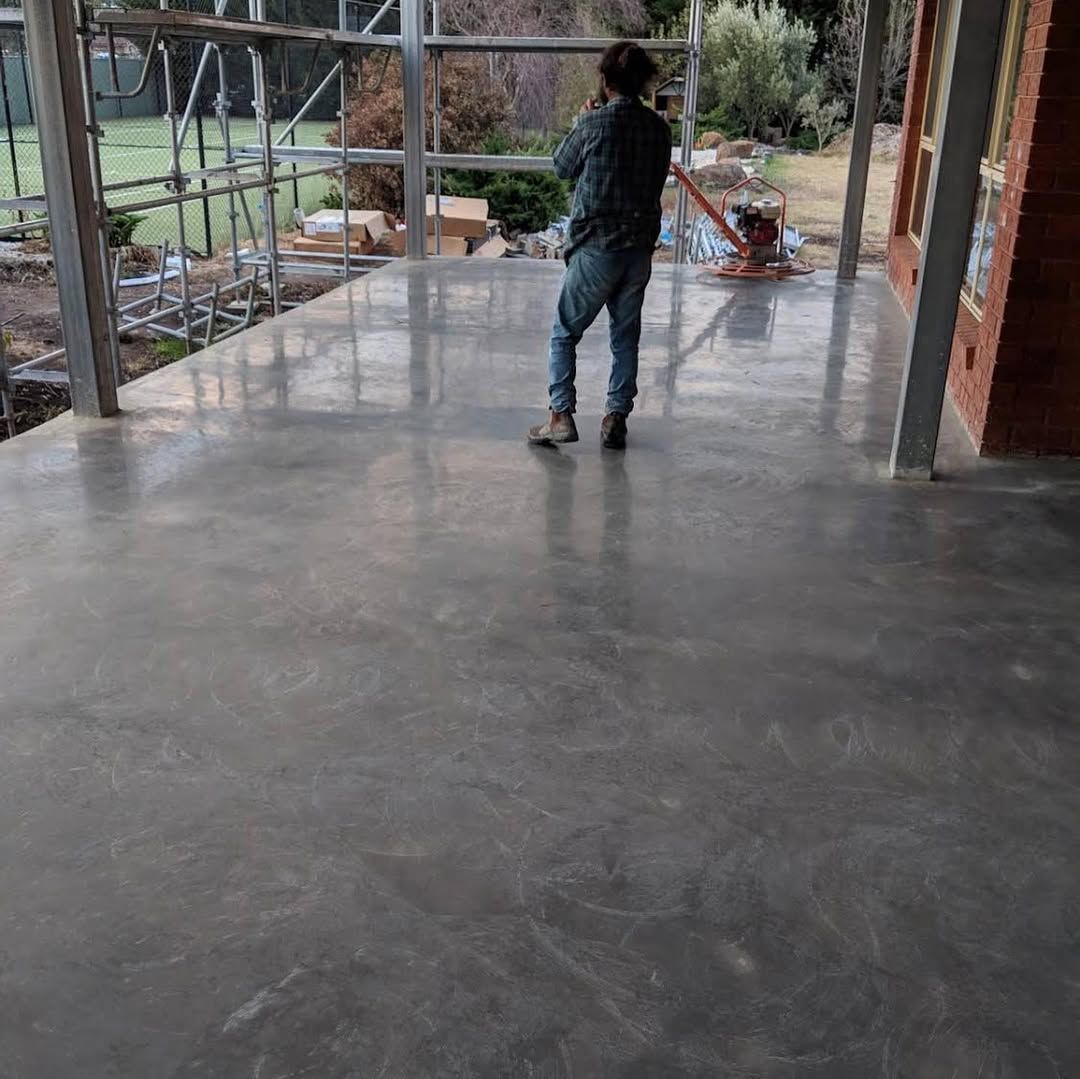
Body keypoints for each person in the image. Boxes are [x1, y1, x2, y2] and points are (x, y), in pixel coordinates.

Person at [527, 41, 672, 451]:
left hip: (596, 250)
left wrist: (582, 122)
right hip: (638, 251)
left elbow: (561, 166)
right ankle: (615, 417)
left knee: (564, 333)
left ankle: (560, 415)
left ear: (605, 81)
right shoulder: (659, 130)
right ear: (643, 84)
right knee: (625, 337)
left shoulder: (593, 125)